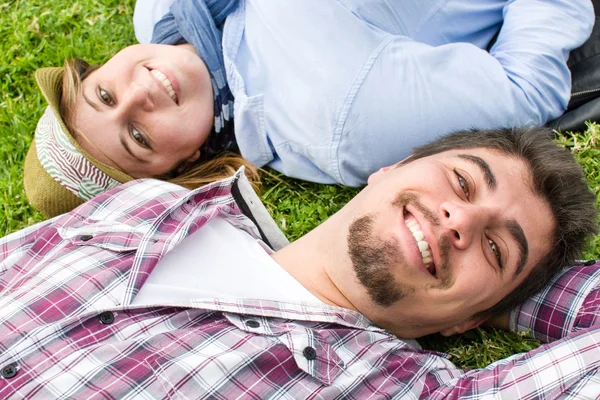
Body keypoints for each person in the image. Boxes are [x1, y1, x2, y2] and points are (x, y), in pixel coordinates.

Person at [2, 126, 597, 398]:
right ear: (392, 167)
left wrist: (498, 305)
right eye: (462, 182)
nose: (460, 220)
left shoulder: (394, 390)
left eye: (497, 249)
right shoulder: (151, 203)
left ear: (470, 321)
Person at [24, 0, 595, 218]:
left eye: (104, 92)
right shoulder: (335, 118)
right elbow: (525, 91)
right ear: (186, 163)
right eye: (139, 136)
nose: (139, 95)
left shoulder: (161, 12)